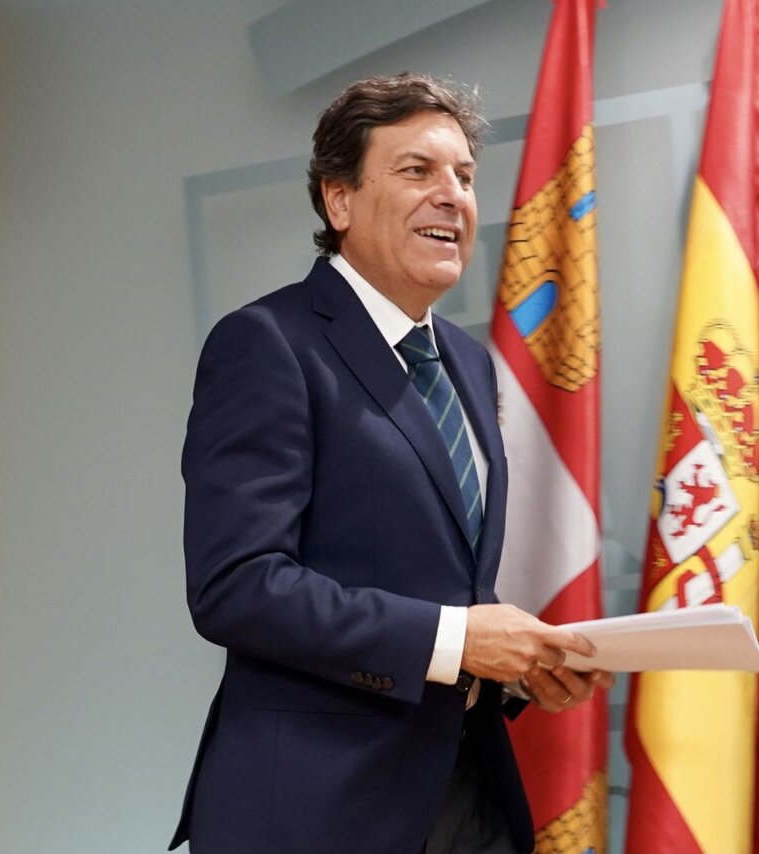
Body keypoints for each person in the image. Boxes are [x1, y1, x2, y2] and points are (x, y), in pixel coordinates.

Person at [169, 73, 612, 854]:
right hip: (317, 810)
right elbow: (235, 585)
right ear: (338, 201)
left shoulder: (470, 364)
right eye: (417, 171)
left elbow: (440, 578)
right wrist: (455, 641)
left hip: (468, 795)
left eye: (466, 178)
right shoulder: (269, 345)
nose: (452, 196)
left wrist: (517, 666)